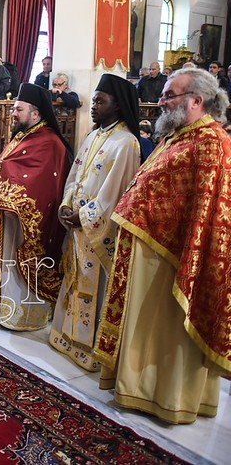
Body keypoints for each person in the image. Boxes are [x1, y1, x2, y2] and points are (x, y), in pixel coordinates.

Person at [95, 68, 231, 424]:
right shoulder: (179, 136)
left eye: (169, 95)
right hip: (149, 251)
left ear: (196, 100)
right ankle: (137, 388)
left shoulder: (212, 142)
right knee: (144, 326)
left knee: (165, 331)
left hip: (172, 256)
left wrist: (191, 257)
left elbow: (208, 211)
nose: (160, 102)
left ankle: (165, 397)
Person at [50, 73, 141, 371]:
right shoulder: (93, 136)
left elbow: (116, 193)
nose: (94, 106)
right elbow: (75, 175)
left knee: (94, 286)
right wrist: (67, 204)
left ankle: (88, 349)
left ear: (118, 105)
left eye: (100, 102)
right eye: (94, 101)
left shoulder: (126, 143)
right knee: (73, 280)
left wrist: (83, 216)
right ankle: (65, 336)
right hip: (77, 225)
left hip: (96, 230)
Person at [0, 83, 71, 330]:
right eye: (14, 109)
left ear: (36, 113)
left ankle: (22, 316)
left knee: (18, 268)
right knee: (4, 262)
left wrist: (13, 201)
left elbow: (43, 184)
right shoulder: (23, 136)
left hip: (25, 220)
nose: (13, 113)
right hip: (6, 214)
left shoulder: (50, 142)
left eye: (19, 109)